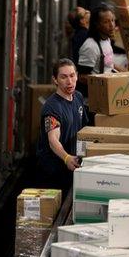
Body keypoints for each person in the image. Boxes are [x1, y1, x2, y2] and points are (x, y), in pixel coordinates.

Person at [36, 59, 89, 196]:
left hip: (72, 167)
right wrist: (66, 158)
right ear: (55, 80)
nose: (69, 81)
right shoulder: (52, 108)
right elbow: (53, 139)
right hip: (54, 172)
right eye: (63, 77)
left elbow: (83, 131)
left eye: (72, 75)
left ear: (77, 75)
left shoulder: (78, 97)